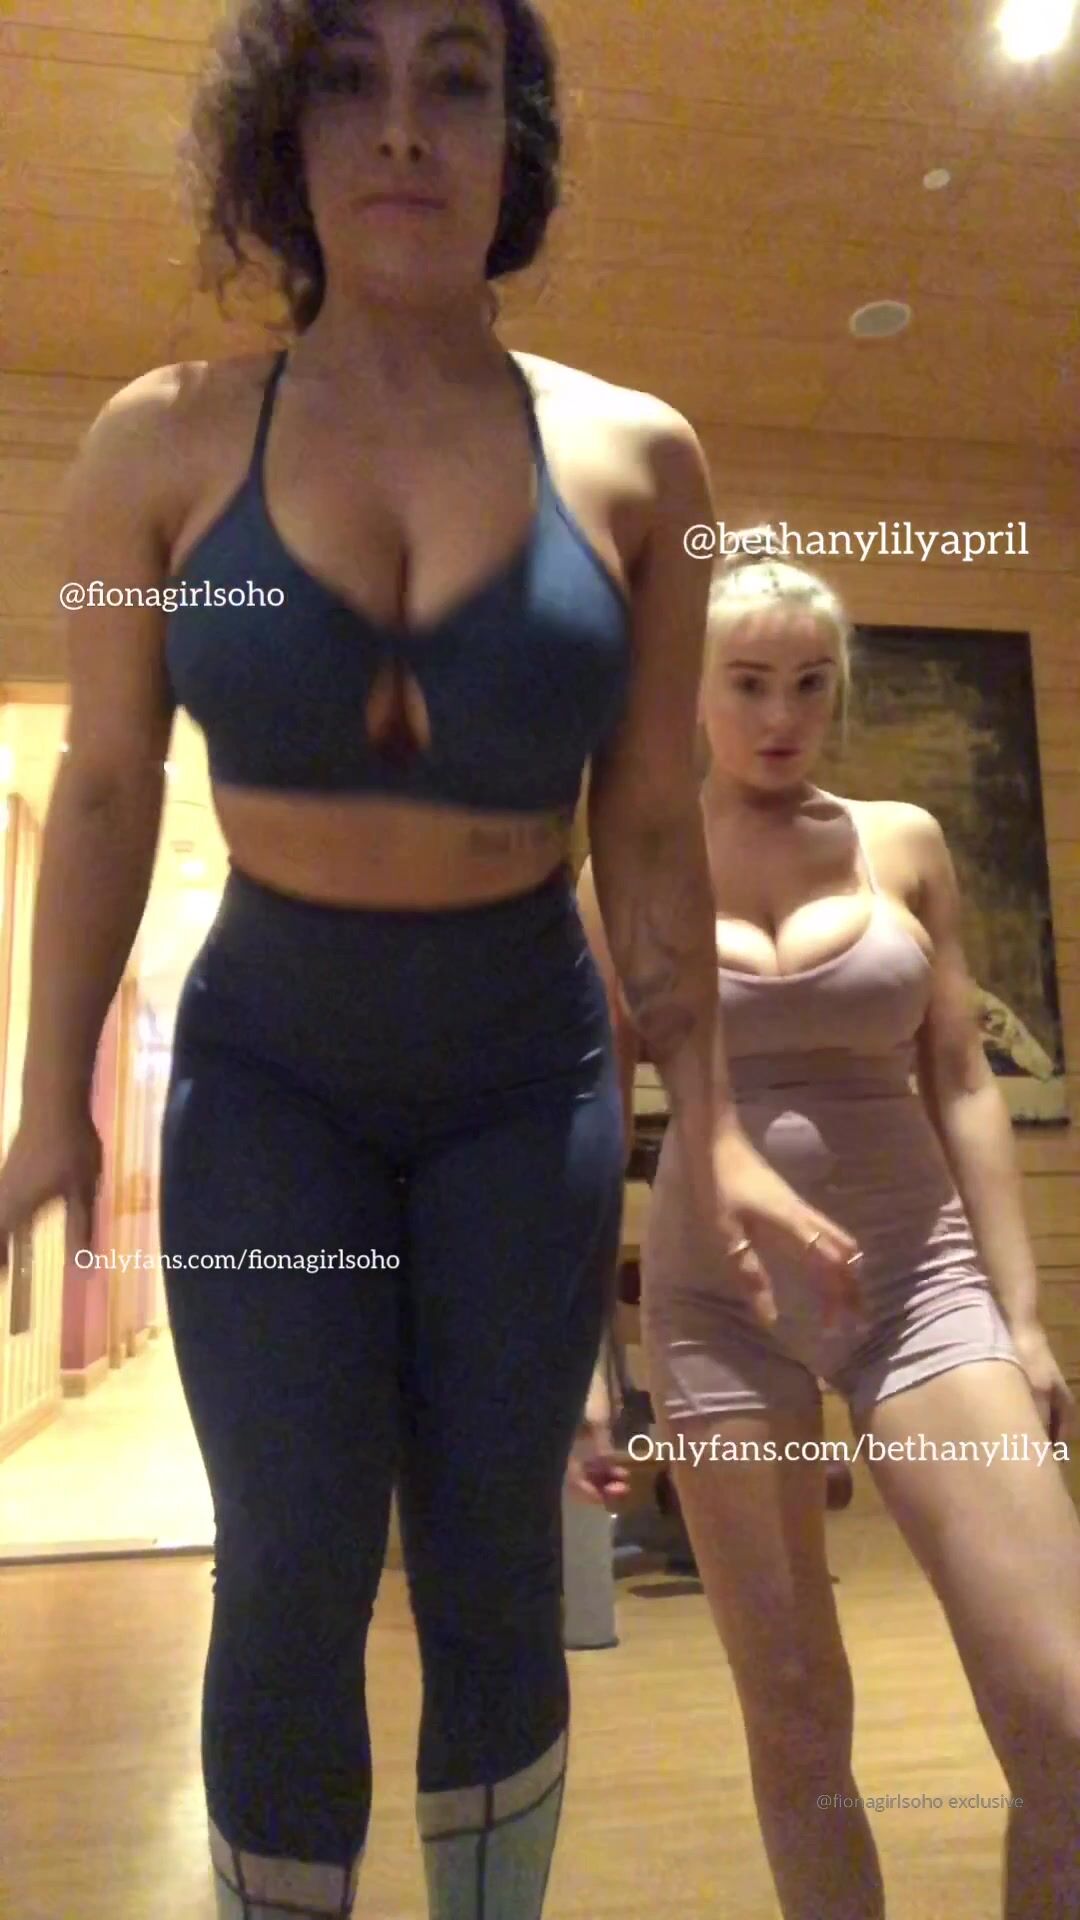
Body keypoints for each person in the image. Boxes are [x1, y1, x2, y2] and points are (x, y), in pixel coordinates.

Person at [0, 9, 861, 1918]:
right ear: (283, 130)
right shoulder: (157, 444)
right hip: (271, 1084)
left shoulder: (641, 460)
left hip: (520, 1081)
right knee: (290, 1557)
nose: (403, 129)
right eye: (350, 77)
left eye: (456, 79)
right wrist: (53, 1100)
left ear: (514, 133)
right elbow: (112, 779)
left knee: (497, 1561)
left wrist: (713, 1121)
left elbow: (649, 822)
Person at [576, 528, 1080, 1920]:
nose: (782, 715)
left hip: (922, 1287)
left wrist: (1024, 1317)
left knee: (1063, 1703)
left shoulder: (902, 842)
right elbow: (593, 1118)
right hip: (717, 1307)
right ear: (690, 690)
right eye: (748, 682)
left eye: (810, 683)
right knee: (796, 1714)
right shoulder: (627, 869)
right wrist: (585, 1366)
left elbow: (962, 1076)